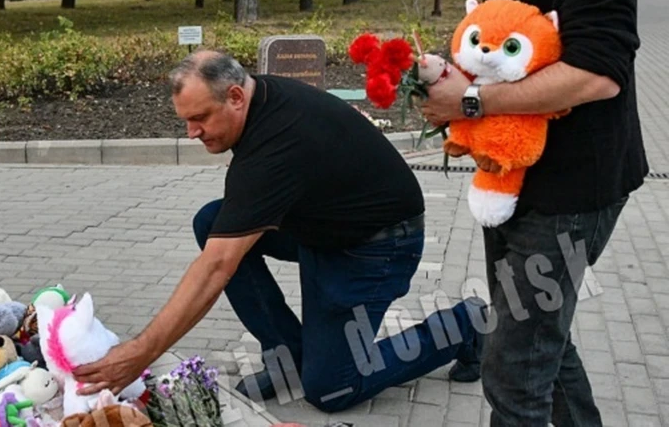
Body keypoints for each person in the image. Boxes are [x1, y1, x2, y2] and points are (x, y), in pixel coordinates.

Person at [73, 50, 488, 413]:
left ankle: (465, 324)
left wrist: (142, 351)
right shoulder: (260, 101)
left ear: (235, 96)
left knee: (331, 388)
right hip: (323, 225)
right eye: (186, 120)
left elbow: (218, 266)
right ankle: (288, 356)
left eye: (199, 118)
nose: (192, 132)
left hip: (376, 248)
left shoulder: (276, 143)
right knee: (211, 221)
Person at [415, 0, 648, 425]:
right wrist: (443, 72)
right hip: (515, 175)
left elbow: (600, 76)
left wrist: (469, 100)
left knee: (513, 365)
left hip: (575, 185)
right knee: (541, 340)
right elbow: (503, 44)